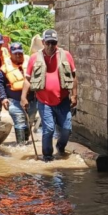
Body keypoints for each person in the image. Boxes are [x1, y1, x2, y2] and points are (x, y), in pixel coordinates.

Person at [21, 29, 78, 162]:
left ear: (57, 43)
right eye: (48, 43)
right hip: (44, 101)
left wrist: (74, 95)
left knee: (67, 129)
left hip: (62, 100)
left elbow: (74, 77)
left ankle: (60, 147)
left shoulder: (66, 55)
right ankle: (47, 156)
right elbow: (27, 79)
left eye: (53, 43)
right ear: (43, 42)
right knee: (49, 129)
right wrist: (23, 97)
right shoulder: (35, 58)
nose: (50, 46)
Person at [0, 42, 37, 145]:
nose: (18, 55)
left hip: (31, 100)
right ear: (10, 53)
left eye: (20, 53)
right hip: (14, 101)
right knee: (19, 123)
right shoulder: (4, 67)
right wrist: (3, 98)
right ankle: (21, 146)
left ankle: (26, 142)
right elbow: (0, 83)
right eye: (15, 53)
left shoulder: (31, 63)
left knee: (29, 122)